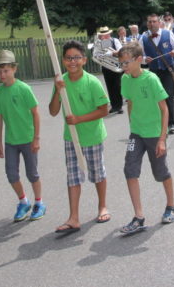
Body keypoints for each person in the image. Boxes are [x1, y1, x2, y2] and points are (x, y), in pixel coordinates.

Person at [49, 40, 110, 234]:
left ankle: (102, 206)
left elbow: (104, 110)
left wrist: (79, 119)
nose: (72, 61)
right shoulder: (61, 81)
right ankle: (73, 217)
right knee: (73, 177)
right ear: (63, 60)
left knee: (97, 173)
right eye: (68, 58)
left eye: (76, 57)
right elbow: (52, 111)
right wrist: (58, 91)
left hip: (92, 136)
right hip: (71, 138)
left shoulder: (92, 82)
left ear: (84, 60)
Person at [118, 42, 174, 234]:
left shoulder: (151, 79)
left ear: (138, 60)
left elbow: (164, 108)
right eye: (121, 63)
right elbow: (130, 103)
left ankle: (171, 205)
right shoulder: (125, 80)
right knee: (130, 170)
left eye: (126, 62)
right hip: (136, 133)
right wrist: (132, 125)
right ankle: (138, 216)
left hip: (154, 134)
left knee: (161, 173)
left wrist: (162, 139)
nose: (123, 66)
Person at [0, 49, 45, 222]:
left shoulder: (23, 88)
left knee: (32, 174)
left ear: (14, 69)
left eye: (6, 70)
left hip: (28, 139)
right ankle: (23, 201)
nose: (2, 74)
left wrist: (36, 138)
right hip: (11, 141)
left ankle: (39, 203)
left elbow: (36, 113)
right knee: (11, 174)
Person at [140, 13, 174, 134]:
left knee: (168, 96)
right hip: (153, 72)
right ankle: (159, 123)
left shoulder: (167, 33)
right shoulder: (143, 37)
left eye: (154, 21)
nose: (152, 24)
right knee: (155, 98)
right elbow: (139, 54)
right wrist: (144, 59)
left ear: (159, 23)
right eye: (149, 22)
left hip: (167, 70)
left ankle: (171, 123)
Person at [93, 27, 124, 114]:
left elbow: (120, 51)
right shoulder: (99, 43)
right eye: (102, 35)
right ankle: (114, 106)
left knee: (117, 86)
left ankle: (119, 106)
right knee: (109, 87)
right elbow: (95, 55)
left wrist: (110, 53)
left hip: (116, 67)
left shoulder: (115, 41)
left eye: (105, 34)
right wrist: (102, 55)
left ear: (109, 34)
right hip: (106, 67)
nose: (104, 36)